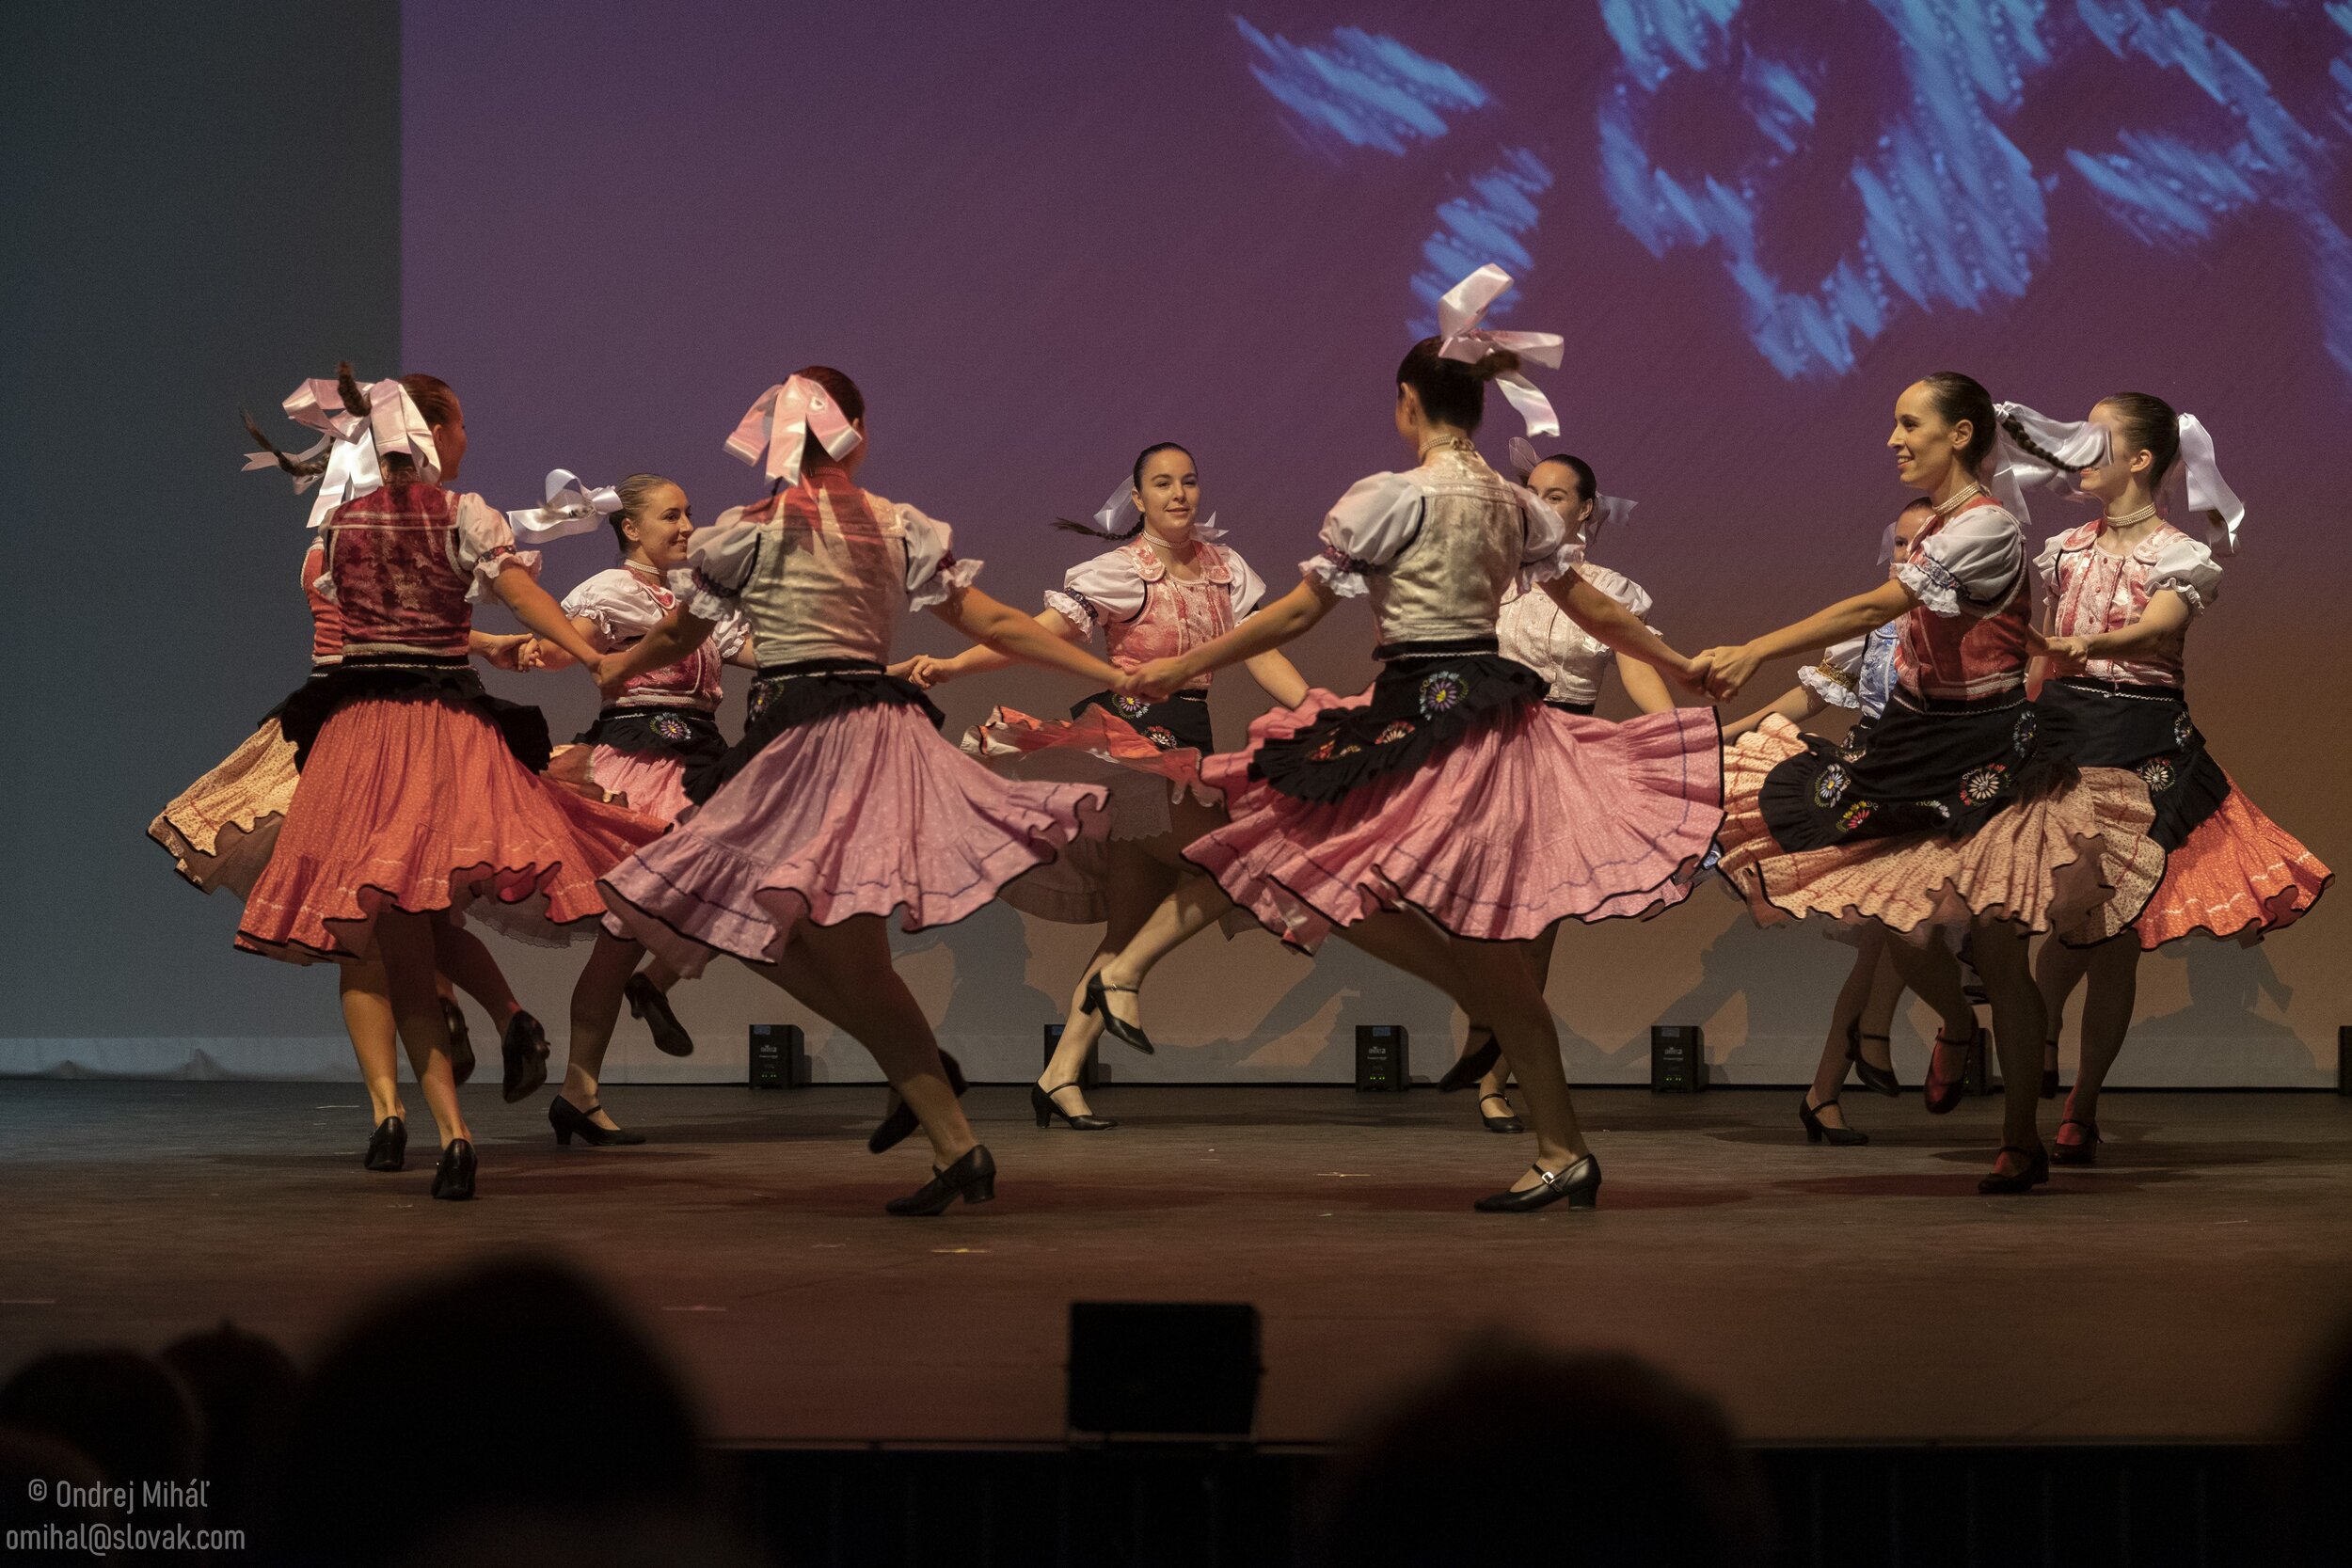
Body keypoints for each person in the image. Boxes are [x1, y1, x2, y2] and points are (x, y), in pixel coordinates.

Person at [1120, 265, 1724, 1212]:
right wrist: (1675, 659)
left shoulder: (1390, 495)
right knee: (1443, 919)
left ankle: (1546, 1117)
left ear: (1409, 403)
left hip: (1428, 709)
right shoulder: (1515, 504)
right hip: (1490, 711)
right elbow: (1593, 603)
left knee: (1310, 850)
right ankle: (1557, 1136)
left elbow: (1293, 615)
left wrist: (1172, 665)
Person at [594, 367, 1126, 1214]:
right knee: (812, 943)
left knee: (804, 942)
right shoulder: (892, 525)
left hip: (806, 746)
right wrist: (1107, 670)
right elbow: (996, 622)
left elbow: (676, 631)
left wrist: (614, 665)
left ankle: (948, 1125)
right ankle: (936, 1108)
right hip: (870, 737)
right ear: (859, 434)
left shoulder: (750, 531)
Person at [1696, 372, 2165, 1194]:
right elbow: (1883, 637)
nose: (1894, 438)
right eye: (1895, 422)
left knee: (1995, 937)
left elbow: (1874, 605)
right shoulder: (1938, 526)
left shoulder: (1985, 527)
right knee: (1907, 932)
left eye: (1910, 423)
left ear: (1961, 434)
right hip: (1915, 745)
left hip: (1988, 753)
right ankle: (1956, 1024)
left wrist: (1753, 647)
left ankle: (2020, 1136)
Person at [233, 366, 665, 1198]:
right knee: (415, 918)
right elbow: (519, 591)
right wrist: (587, 654)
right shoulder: (464, 514)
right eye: (459, 425)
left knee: (393, 930)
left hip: (359, 736)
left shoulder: (337, 528)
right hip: (433, 733)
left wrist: (485, 641)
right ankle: (455, 1114)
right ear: (431, 435)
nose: (467, 440)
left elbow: (353, 615)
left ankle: (436, 1123)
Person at [902, 444, 1309, 1129]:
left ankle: (1061, 1072)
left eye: (1188, 481)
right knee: (1239, 863)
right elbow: (1032, 634)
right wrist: (951, 664)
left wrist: (1318, 713)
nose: (1178, 494)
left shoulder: (1227, 570)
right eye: (1162, 484)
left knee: (1126, 928)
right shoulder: (1122, 572)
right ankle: (1121, 986)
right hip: (1137, 749)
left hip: (1190, 747)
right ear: (1138, 499)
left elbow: (1262, 651)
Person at [2013, 394, 2329, 1164]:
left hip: (2139, 735)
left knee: (2114, 933)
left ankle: (2081, 1107)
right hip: (2063, 729)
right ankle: (2039, 1039)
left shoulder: (2179, 555)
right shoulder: (2060, 550)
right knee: (2071, 915)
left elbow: (2158, 627)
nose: (2080, 450)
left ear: (2142, 460)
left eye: (2099, 439)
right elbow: (2034, 653)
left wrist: (2080, 642)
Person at [1439, 440, 1682, 1133]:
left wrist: (1674, 739)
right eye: (1530, 493)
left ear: (1585, 511)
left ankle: (1497, 1072)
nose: (1538, 505)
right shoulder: (1490, 578)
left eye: (1555, 496)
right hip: (1487, 745)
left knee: (1539, 924)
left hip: (1567, 753)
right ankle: (1487, 1017)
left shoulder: (1610, 588)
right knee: (1473, 905)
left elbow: (1636, 665)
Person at [519, 474, 760, 1091]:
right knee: (629, 928)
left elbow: (757, 649)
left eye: (689, 514)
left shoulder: (694, 596)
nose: (686, 527)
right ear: (630, 527)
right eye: (670, 516)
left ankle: (647, 990)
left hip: (701, 753)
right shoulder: (610, 590)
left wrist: (848, 660)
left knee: (744, 876)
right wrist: (517, 639)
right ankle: (581, 1085)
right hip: (641, 759)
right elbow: (560, 651)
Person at [1721, 497, 1937, 1145]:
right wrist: (1727, 731)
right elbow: (1813, 694)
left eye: (1923, 545)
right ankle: (1838, 1076)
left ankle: (1829, 1086)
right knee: (1894, 934)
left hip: (1935, 784)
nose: (1909, 556)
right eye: (1901, 545)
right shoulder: (1873, 627)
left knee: (1899, 936)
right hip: (1876, 784)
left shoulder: (1967, 629)